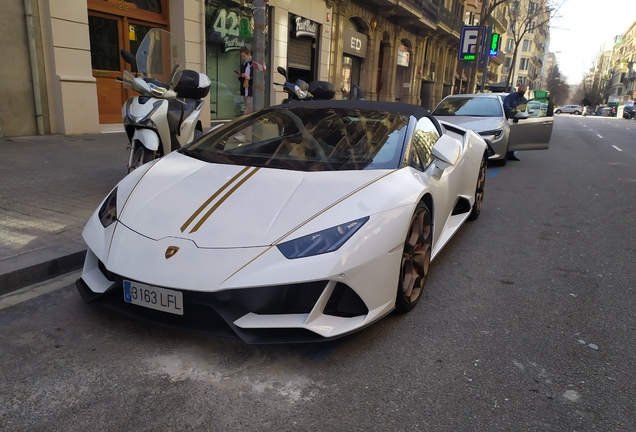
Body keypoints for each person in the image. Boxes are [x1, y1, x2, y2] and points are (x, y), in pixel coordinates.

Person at [502, 84, 528, 161]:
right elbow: (506, 106)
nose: (521, 93)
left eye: (523, 92)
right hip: (506, 119)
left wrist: (518, 115)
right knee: (505, 138)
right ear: (518, 90)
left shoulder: (524, 100)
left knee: (513, 138)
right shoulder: (511, 97)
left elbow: (522, 110)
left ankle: (511, 154)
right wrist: (514, 111)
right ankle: (504, 153)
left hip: (515, 120)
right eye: (520, 91)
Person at [235, 47, 253, 114]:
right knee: (248, 110)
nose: (243, 58)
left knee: (247, 112)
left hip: (251, 92)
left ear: (248, 54)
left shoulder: (254, 64)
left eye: (244, 56)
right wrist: (240, 76)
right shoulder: (243, 65)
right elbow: (242, 80)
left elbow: (258, 79)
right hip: (245, 90)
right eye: (241, 56)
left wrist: (249, 78)